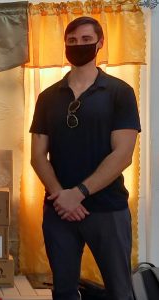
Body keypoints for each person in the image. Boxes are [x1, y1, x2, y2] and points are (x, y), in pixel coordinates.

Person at [30, 17, 140, 300]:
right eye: (72, 41)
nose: (78, 45)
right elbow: (38, 156)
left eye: (86, 40)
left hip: (108, 209)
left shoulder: (120, 92)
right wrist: (61, 196)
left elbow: (123, 154)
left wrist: (78, 193)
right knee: (64, 291)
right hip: (59, 211)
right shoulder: (47, 97)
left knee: (120, 291)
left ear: (100, 43)